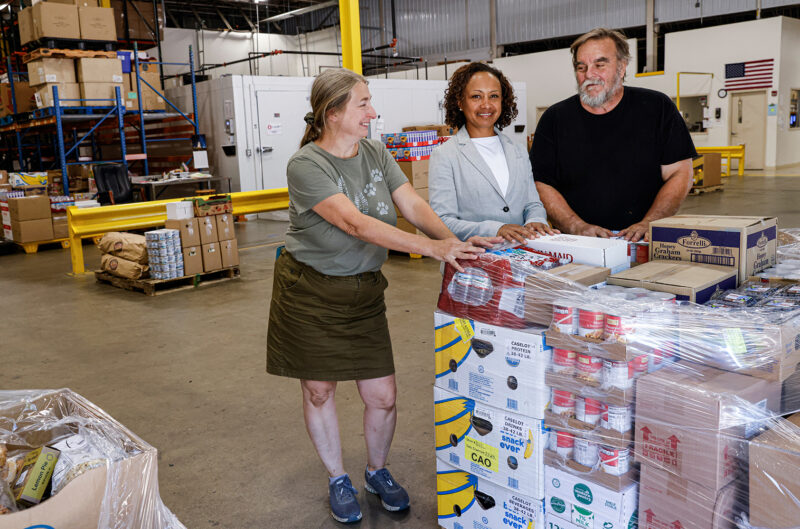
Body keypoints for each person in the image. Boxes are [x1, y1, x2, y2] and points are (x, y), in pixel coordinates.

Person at [266, 68, 498, 524]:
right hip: (310, 292)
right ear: (333, 114)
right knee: (318, 391)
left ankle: (377, 472)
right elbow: (355, 223)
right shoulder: (306, 165)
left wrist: (453, 242)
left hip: (364, 293)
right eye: (363, 104)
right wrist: (431, 248)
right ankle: (338, 478)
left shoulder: (374, 151)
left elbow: (411, 203)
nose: (373, 112)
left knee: (383, 396)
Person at [530, 28, 696, 242]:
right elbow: (542, 183)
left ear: (622, 66)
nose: (589, 74)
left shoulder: (657, 108)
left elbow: (680, 173)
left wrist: (650, 222)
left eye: (600, 65)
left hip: (645, 241)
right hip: (578, 244)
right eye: (581, 67)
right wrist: (576, 226)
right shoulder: (554, 119)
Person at [429, 62, 557, 244]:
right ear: (460, 102)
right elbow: (441, 221)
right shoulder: (445, 155)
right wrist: (495, 229)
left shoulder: (518, 150)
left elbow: (532, 203)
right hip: (473, 264)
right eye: (476, 97)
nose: (486, 105)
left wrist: (535, 220)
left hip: (522, 258)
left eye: (494, 96)